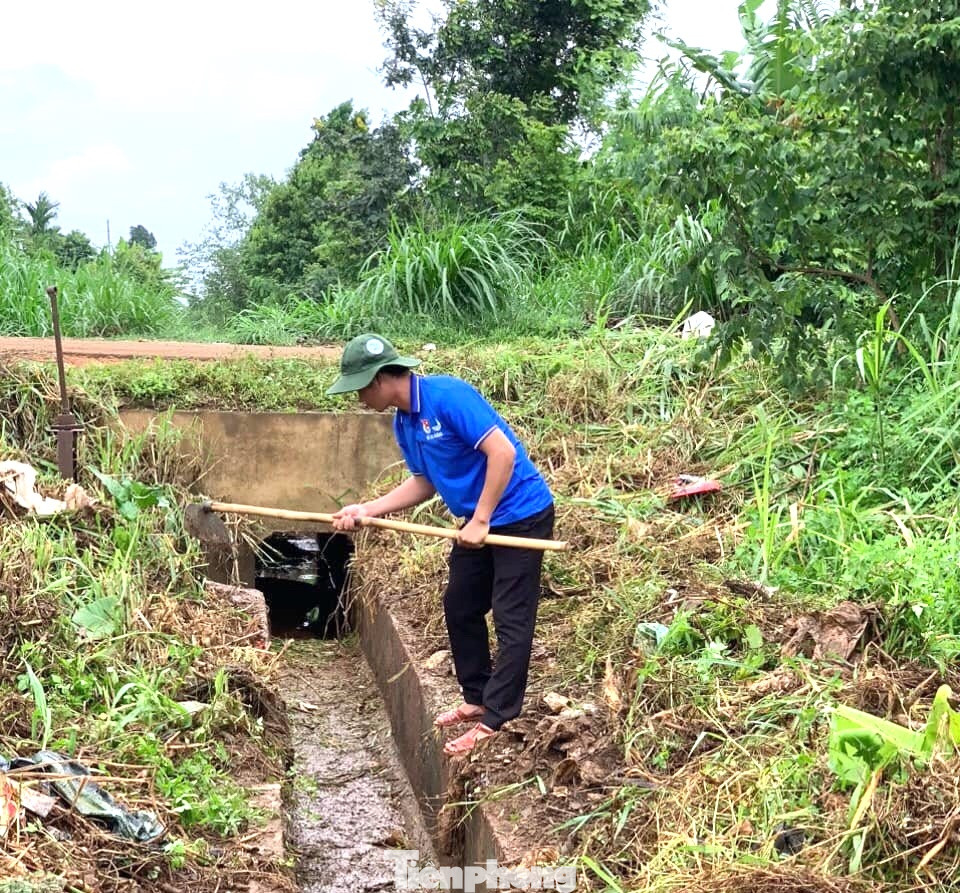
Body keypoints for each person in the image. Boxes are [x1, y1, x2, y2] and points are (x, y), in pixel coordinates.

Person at [326, 333, 555, 757]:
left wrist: (483, 517)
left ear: (379, 380)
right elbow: (424, 482)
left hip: (519, 514)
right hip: (478, 521)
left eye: (359, 389)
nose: (358, 399)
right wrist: (370, 510)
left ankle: (499, 717)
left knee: (511, 616)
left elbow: (502, 454)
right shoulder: (404, 421)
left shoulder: (448, 396)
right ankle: (478, 695)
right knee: (460, 604)